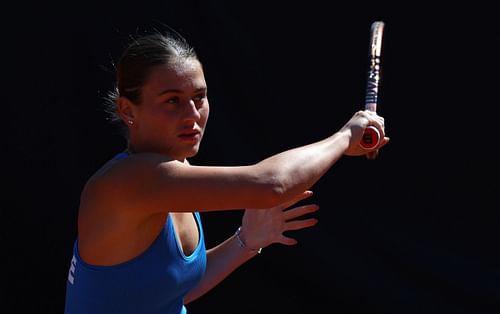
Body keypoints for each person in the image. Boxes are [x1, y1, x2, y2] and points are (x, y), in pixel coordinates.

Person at [64, 28, 389, 314]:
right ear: (127, 110)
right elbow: (271, 186)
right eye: (172, 101)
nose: (192, 114)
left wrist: (245, 241)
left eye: (199, 97)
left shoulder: (177, 173)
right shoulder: (129, 182)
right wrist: (345, 136)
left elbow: (170, 293)